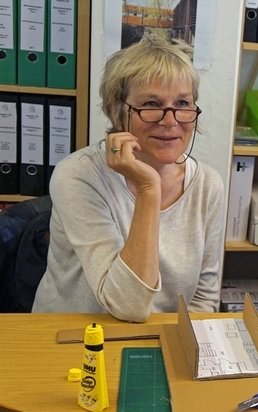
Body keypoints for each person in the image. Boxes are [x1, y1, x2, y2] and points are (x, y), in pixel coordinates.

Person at [32, 34, 225, 322]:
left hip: (158, 336)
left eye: (183, 103)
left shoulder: (208, 185)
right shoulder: (77, 175)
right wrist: (149, 189)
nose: (170, 120)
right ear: (116, 110)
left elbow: (204, 298)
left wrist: (181, 343)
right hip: (70, 334)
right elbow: (126, 305)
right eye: (151, 103)